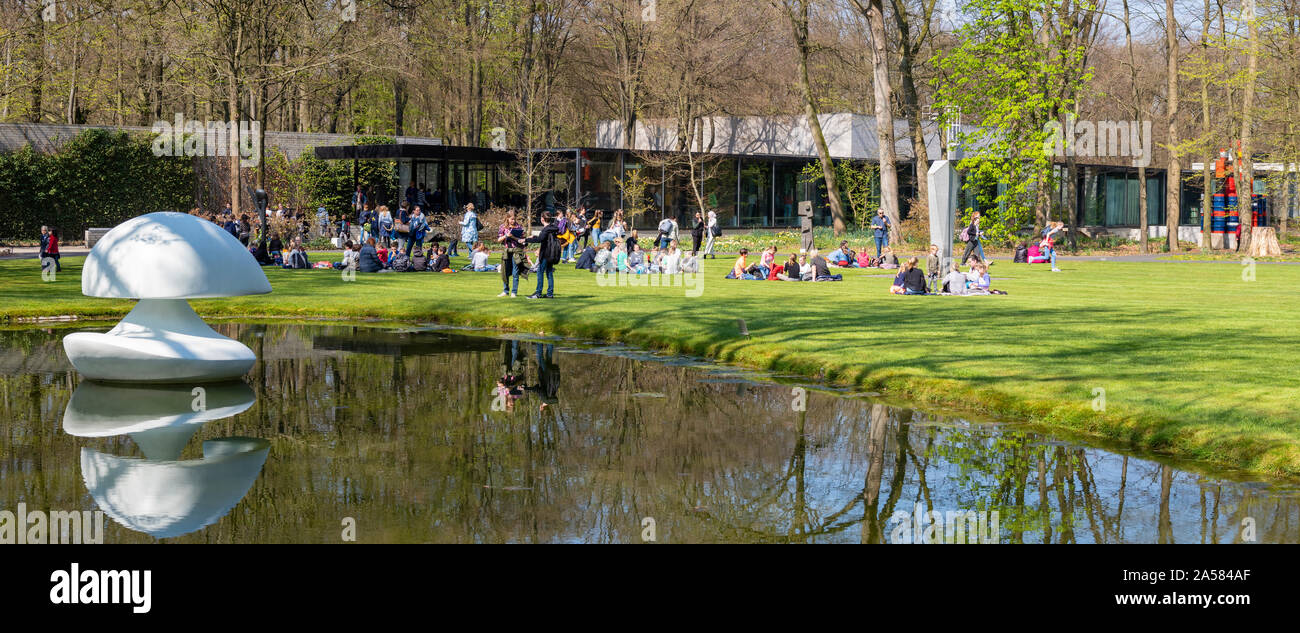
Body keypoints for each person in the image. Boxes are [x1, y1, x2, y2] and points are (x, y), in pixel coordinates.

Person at [524, 211, 561, 299]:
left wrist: (526, 240)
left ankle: (538, 293)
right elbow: (543, 238)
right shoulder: (552, 228)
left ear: (542, 219)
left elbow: (540, 239)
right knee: (549, 273)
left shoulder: (546, 229)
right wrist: (533, 237)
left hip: (545, 254)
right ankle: (550, 294)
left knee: (540, 272)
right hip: (551, 253)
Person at [497, 212, 526, 297]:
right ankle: (505, 291)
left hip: (516, 251)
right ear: (507, 219)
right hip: (506, 251)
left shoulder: (519, 227)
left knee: (515, 272)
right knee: (505, 271)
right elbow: (499, 239)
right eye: (511, 219)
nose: (513, 221)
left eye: (514, 219)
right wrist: (506, 235)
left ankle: (514, 292)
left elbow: (522, 239)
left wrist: (516, 237)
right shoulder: (503, 227)